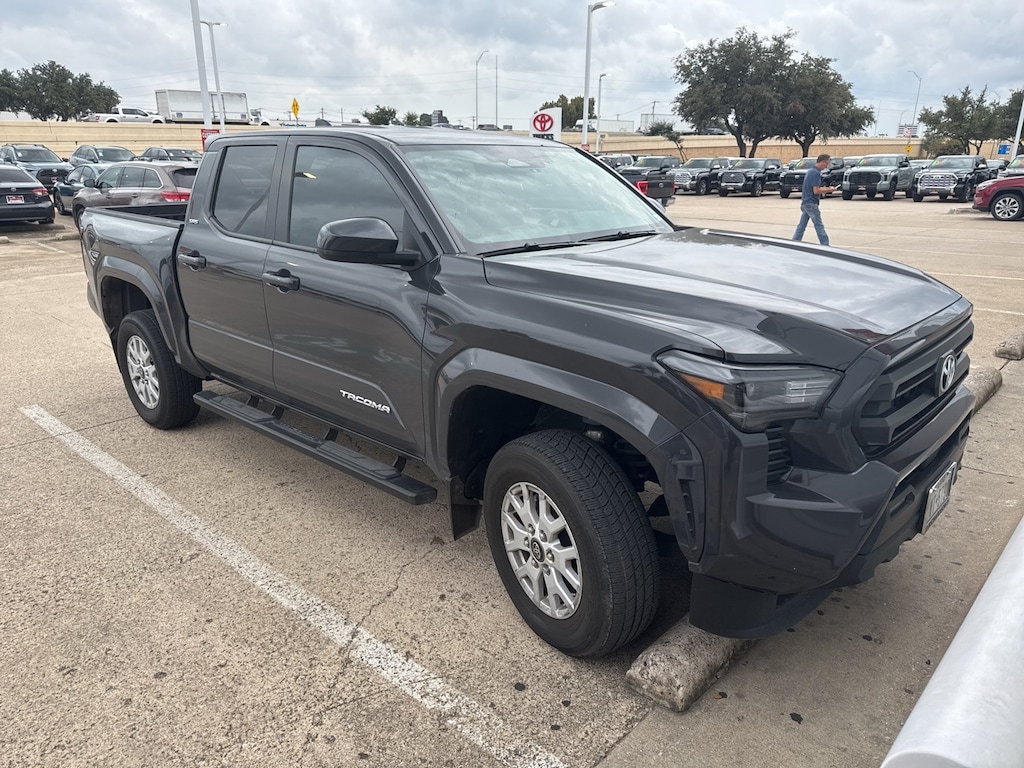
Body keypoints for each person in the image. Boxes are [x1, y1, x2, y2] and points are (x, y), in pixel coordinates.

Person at [792, 153, 837, 246]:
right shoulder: (815, 173)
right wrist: (829, 189)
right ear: (823, 162)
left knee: (802, 225)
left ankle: (795, 241)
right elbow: (816, 190)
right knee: (818, 225)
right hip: (811, 203)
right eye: (827, 163)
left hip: (805, 202)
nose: (827, 166)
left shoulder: (810, 171)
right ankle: (825, 245)